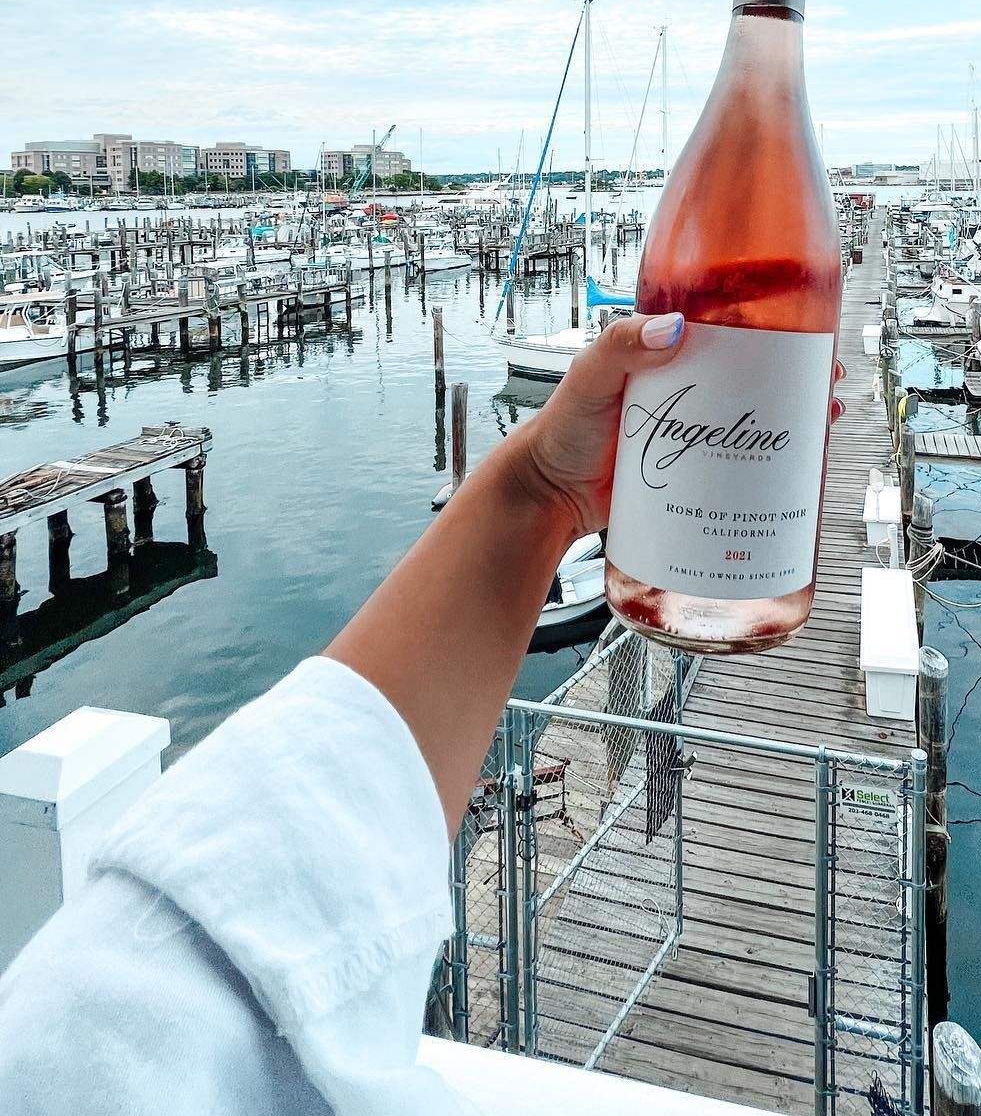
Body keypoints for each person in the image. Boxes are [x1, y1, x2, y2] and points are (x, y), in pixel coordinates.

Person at [0, 311, 842, 1113]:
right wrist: (542, 487)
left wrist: (544, 485)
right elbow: (234, 924)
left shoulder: (71, 1042)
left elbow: (225, 921)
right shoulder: (79, 1048)